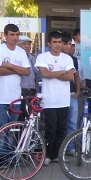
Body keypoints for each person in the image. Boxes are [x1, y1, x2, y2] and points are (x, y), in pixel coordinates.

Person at [36, 31, 75, 165]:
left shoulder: (67, 58)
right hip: (49, 100)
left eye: (59, 42)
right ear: (49, 43)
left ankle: (58, 154)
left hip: (63, 100)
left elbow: (70, 77)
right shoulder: (43, 57)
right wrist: (62, 71)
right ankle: (48, 155)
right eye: (55, 42)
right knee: (50, 129)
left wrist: (53, 73)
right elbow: (44, 74)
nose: (58, 45)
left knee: (61, 129)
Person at [0, 23, 31, 128]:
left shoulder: (21, 52)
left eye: (17, 35)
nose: (15, 37)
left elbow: (27, 72)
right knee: (1, 130)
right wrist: (18, 70)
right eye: (12, 34)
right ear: (5, 35)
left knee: (12, 131)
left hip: (15, 97)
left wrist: (10, 65)